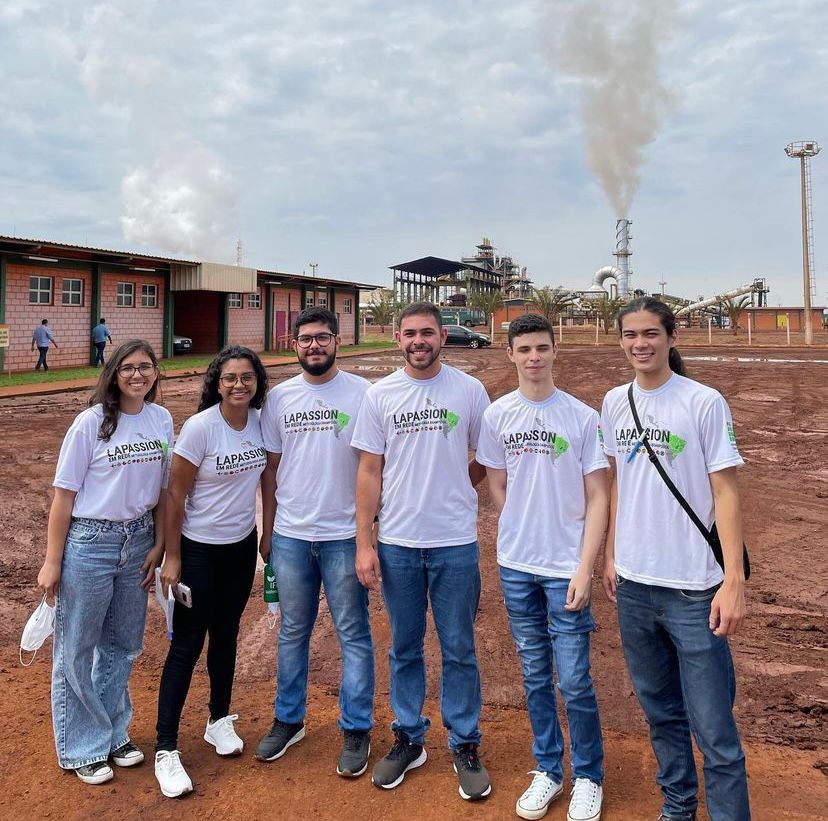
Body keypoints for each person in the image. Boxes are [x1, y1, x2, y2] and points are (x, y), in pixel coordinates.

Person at [600, 297, 750, 821]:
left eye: (649, 334)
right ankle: (678, 805)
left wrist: (733, 581)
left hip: (693, 588)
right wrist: (612, 553)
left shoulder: (704, 402)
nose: (639, 344)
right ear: (619, 340)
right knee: (661, 713)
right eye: (630, 335)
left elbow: (726, 493)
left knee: (713, 727)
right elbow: (619, 482)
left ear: (671, 336)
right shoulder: (614, 401)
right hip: (635, 587)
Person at [351, 301, 492, 801]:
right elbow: (369, 470)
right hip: (398, 544)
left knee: (458, 647)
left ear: (443, 337)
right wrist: (364, 542)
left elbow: (488, 456)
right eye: (410, 333)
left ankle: (465, 742)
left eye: (427, 333)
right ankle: (409, 737)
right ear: (397, 338)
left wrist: (461, 484)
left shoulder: (469, 390)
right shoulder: (381, 394)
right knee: (404, 646)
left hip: (455, 543)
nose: (418, 341)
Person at [476, 314, 607, 821]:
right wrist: (518, 525)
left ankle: (589, 775)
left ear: (556, 351)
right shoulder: (497, 416)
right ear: (510, 354)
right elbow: (497, 483)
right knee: (534, 674)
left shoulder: (581, 417)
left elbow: (599, 496)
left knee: (573, 677)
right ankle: (549, 770)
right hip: (516, 565)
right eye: (524, 348)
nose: (534, 357)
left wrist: (585, 566)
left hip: (565, 567)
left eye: (542, 348)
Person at [37, 339, 172, 785]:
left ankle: (113, 732)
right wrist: (52, 562)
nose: (138, 375)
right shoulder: (90, 423)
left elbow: (163, 491)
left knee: (122, 644)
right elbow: (64, 496)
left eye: (145, 367)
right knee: (77, 647)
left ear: (155, 372)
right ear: (114, 373)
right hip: (91, 541)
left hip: (138, 541)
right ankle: (82, 747)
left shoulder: (161, 419)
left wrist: (159, 545)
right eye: (128, 368)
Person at [255, 307, 374, 777]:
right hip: (291, 535)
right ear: (294, 345)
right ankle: (289, 720)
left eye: (322, 338)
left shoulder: (364, 394)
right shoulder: (279, 399)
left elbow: (373, 466)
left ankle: (357, 727)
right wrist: (268, 530)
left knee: (353, 633)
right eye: (305, 339)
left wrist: (368, 534)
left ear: (337, 341)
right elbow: (270, 470)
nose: (313, 347)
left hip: (345, 535)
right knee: (292, 631)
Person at [154, 345, 268, 798]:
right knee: (186, 645)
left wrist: (267, 533)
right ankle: (166, 749)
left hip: (239, 550)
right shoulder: (201, 429)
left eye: (247, 377)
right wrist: (173, 557)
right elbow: (174, 497)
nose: (239, 385)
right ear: (216, 383)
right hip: (198, 552)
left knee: (226, 637)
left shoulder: (261, 424)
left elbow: (268, 481)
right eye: (229, 378)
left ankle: (218, 719)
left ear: (257, 382)